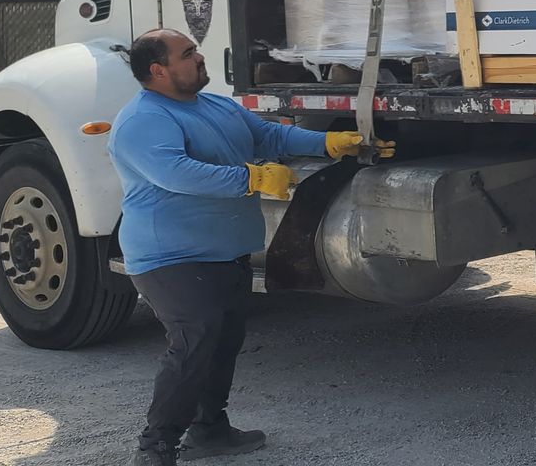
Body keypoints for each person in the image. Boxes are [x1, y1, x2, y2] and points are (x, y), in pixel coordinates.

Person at [107, 29, 390, 465]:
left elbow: (271, 137)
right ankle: (155, 446)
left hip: (226, 251)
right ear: (158, 70)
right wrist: (251, 179)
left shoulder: (214, 105)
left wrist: (331, 144)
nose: (199, 57)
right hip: (171, 256)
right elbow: (176, 173)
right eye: (188, 54)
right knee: (195, 337)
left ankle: (210, 430)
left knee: (222, 342)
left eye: (195, 50)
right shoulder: (144, 119)